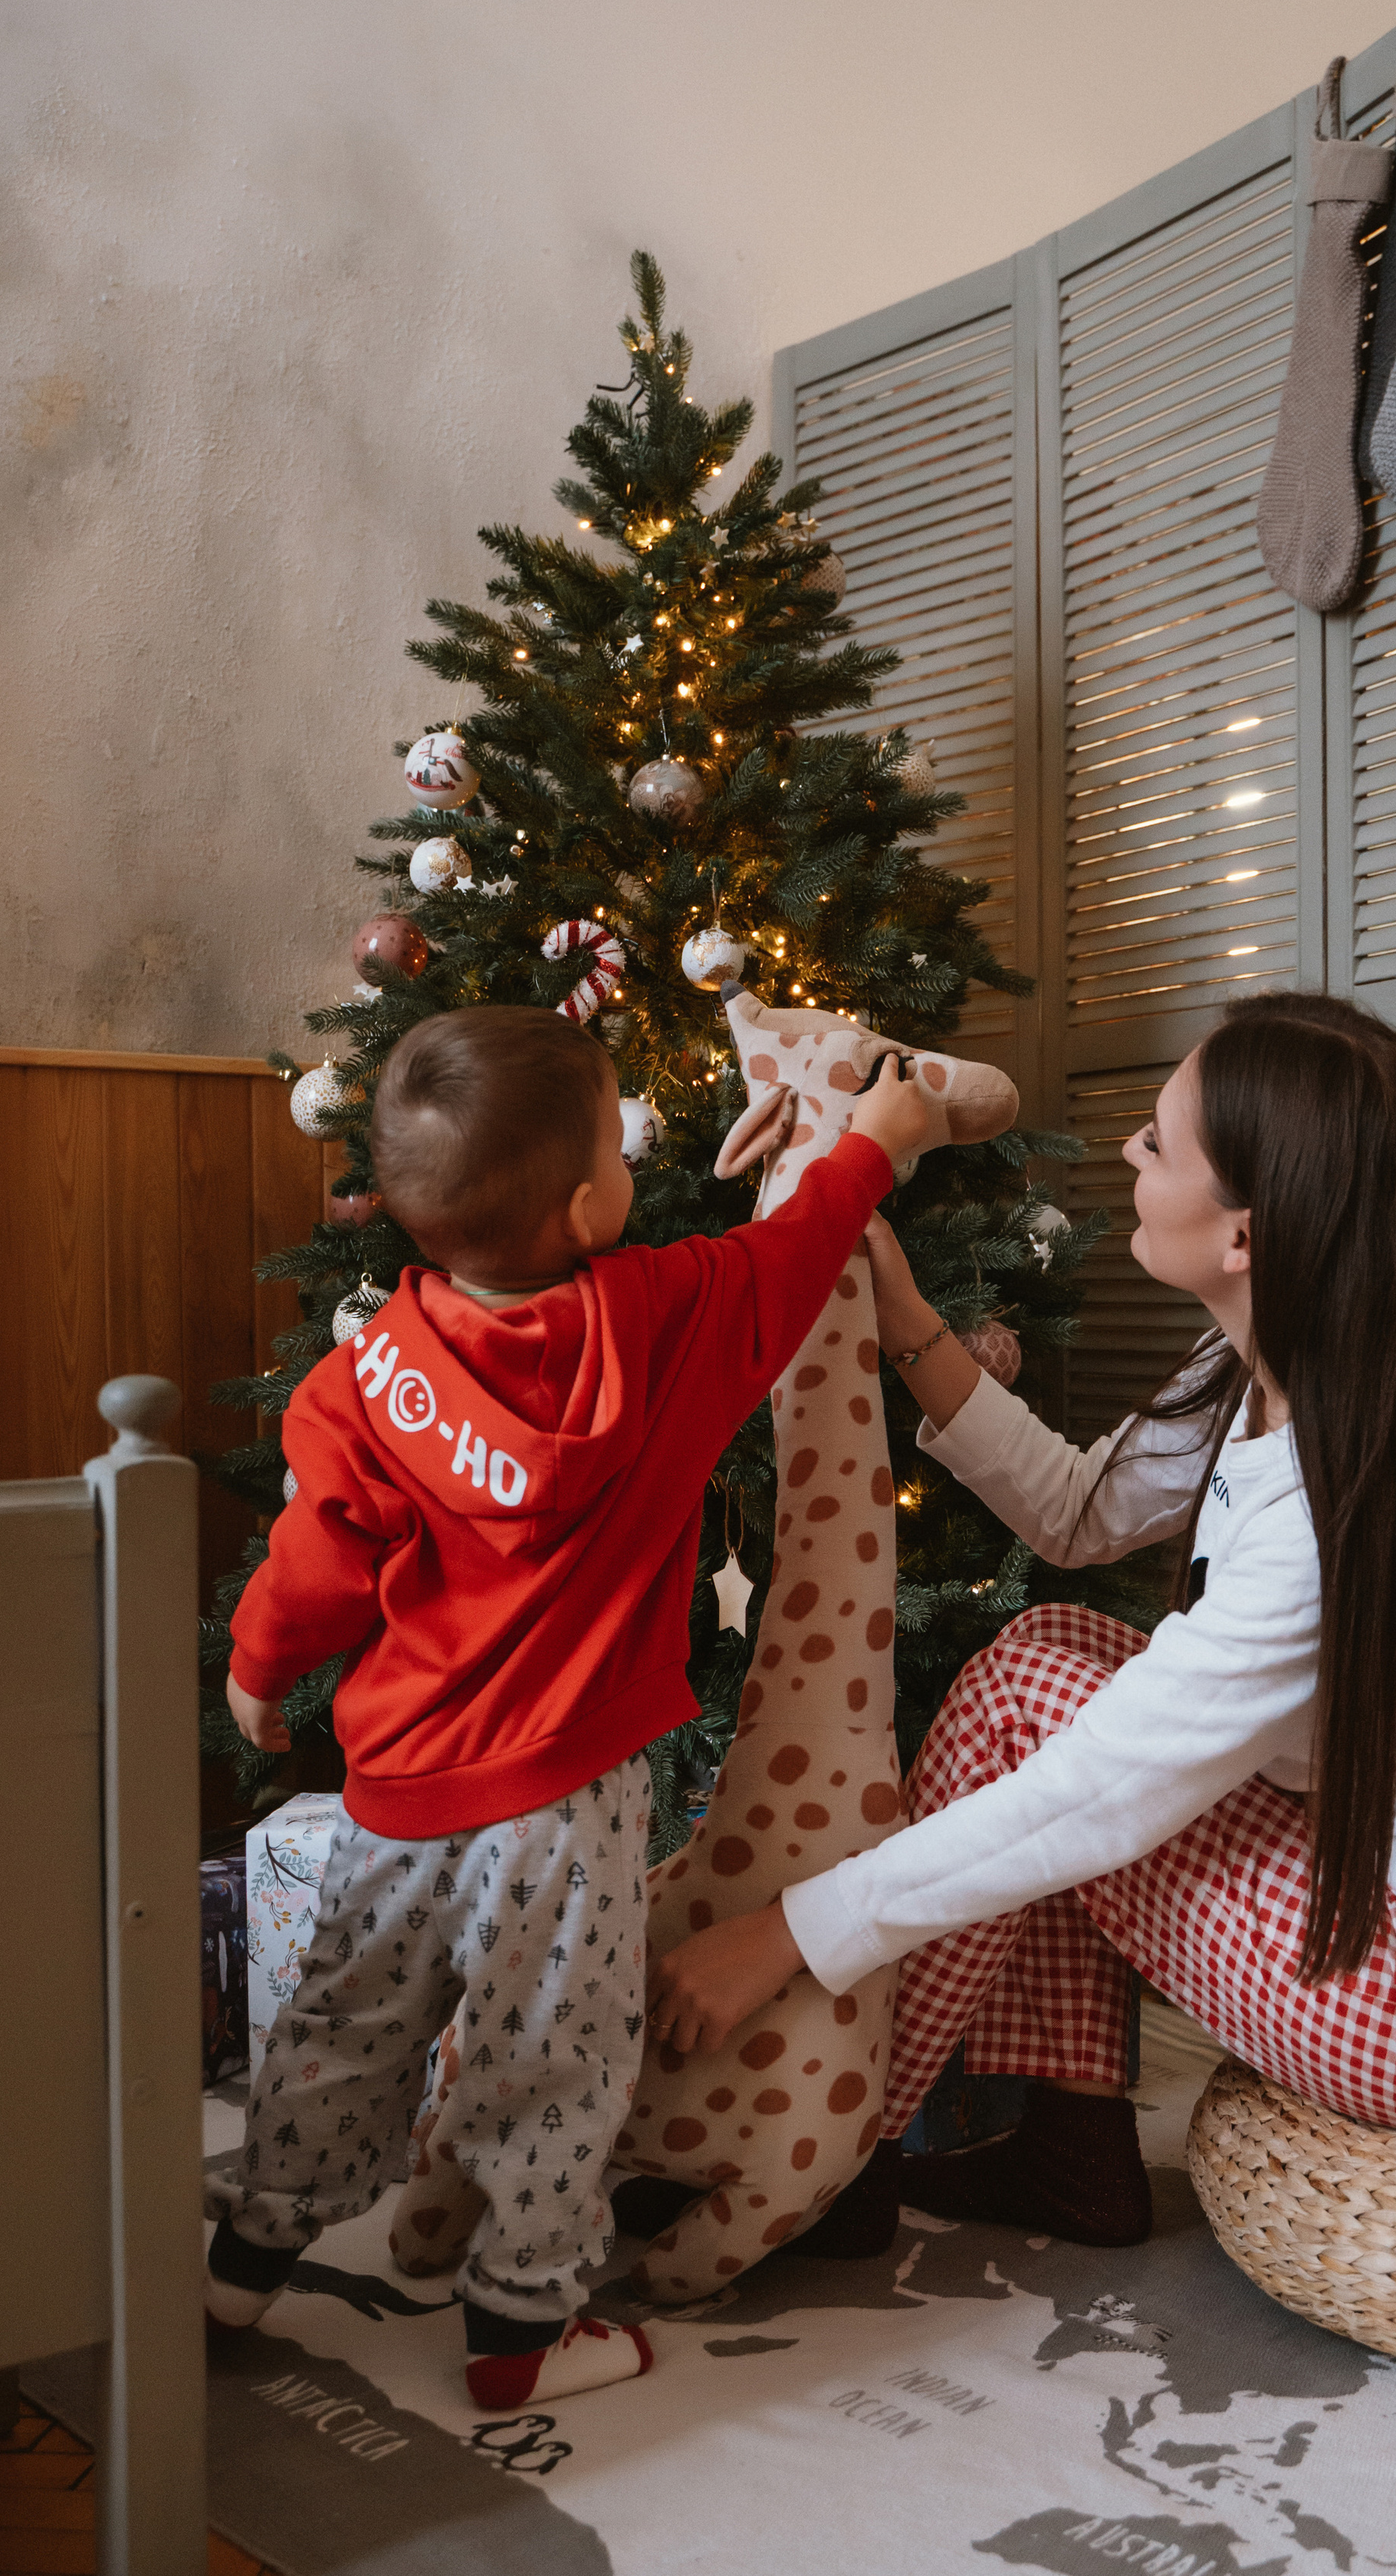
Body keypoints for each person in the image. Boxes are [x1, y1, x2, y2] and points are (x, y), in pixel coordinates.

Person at [645, 991, 1396, 2253]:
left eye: (1159, 1143)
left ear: (1246, 1235)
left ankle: (836, 2154)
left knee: (1037, 1715)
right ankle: (1068, 2150)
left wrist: (784, 1932)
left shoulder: (1340, 1501)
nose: (1127, 1150)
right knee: (1051, 1665)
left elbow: (1094, 1795)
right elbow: (1080, 1508)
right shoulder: (1299, 1364)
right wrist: (908, 1323)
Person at [205, 1006, 929, 2408]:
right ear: (591, 1206)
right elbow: (789, 1260)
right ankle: (518, 2333)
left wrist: (255, 1663)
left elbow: (312, 1561)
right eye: (616, 1141)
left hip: (400, 1795)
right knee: (555, 2060)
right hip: (567, 1809)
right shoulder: (661, 1320)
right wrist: (872, 1150)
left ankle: (245, 2261)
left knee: (345, 2028)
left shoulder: (364, 1382)